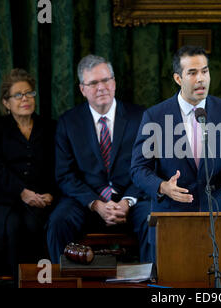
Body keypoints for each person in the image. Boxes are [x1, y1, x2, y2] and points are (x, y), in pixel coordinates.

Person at [130, 45, 221, 259]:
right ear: (178, 78)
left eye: (205, 71)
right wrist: (162, 186)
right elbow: (138, 169)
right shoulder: (154, 116)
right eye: (192, 73)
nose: (201, 78)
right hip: (172, 220)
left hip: (218, 217)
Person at [46, 55, 152, 263]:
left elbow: (148, 167)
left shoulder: (140, 117)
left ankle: (152, 283)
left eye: (106, 80)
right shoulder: (69, 122)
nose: (101, 87)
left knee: (153, 219)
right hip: (87, 199)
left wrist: (127, 202)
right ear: (82, 89)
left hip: (130, 197)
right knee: (58, 222)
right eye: (93, 83)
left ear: (114, 82)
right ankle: (66, 283)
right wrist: (95, 204)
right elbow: (65, 175)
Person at [0, 68, 56, 280]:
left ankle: (42, 283)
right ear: (6, 103)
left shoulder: (50, 127)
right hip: (4, 198)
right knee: (13, 225)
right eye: (18, 95)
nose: (25, 99)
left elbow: (59, 167)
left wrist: (52, 194)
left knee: (37, 224)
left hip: (41, 199)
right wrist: (22, 192)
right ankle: (11, 283)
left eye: (29, 93)